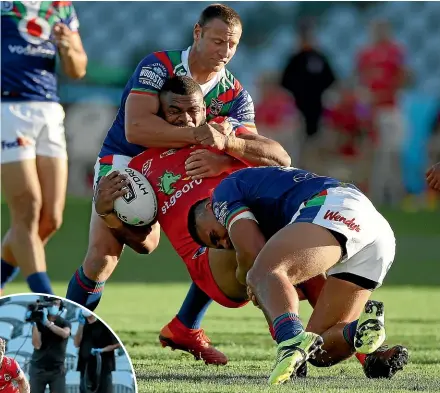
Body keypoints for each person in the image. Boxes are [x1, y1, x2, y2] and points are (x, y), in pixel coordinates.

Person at [65, 2, 262, 363]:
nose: (224, 51)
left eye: (231, 44)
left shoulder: (235, 94)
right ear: (197, 33)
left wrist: (222, 154)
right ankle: (69, 336)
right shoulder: (158, 66)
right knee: (102, 258)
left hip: (181, 165)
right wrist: (203, 135)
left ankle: (185, 327)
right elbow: (136, 128)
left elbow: (253, 147)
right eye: (217, 41)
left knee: (223, 231)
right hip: (127, 163)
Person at [93, 75, 293, 366]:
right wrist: (107, 213)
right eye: (175, 111)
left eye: (193, 111)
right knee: (248, 227)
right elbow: (146, 244)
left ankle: (356, 346)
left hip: (249, 234)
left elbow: (281, 159)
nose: (186, 119)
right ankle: (289, 339)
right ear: (160, 113)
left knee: (308, 234)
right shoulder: (140, 169)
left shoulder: (221, 132)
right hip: (213, 258)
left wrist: (227, 151)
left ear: (204, 109)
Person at [187, 166, 408, 384]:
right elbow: (317, 291)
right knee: (320, 350)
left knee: (260, 272)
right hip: (376, 234)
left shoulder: (221, 195)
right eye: (219, 246)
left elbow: (252, 253)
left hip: (335, 205)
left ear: (209, 207)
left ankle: (291, 344)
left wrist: (246, 279)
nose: (225, 243)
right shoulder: (279, 225)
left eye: (214, 236)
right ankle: (360, 331)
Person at [1, 0, 88, 294]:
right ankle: (46, 301)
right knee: (27, 209)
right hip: (8, 107)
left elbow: (78, 69)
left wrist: (67, 47)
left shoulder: (61, 7)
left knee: (50, 219)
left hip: (48, 109)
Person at [357, 19, 410, 207]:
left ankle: (395, 194)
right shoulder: (365, 54)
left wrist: (389, 91)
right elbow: (361, 80)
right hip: (375, 110)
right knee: (379, 154)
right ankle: (378, 194)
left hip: (391, 107)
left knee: (393, 153)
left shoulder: (396, 51)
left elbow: (404, 77)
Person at [281, 19, 336, 173]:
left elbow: (332, 81)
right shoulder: (294, 59)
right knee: (299, 150)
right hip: (298, 113)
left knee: (317, 150)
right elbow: (283, 84)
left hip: (319, 111)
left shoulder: (319, 58)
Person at [29, 298, 71, 393]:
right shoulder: (39, 322)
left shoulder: (64, 323)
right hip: (38, 368)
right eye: (51, 303)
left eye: (56, 304)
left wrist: (47, 323)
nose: (53, 306)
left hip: (57, 370)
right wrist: (35, 324)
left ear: (61, 307)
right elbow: (37, 345)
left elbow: (65, 334)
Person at [74, 309, 120, 393]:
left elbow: (118, 343)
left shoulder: (104, 324)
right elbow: (76, 344)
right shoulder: (83, 325)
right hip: (86, 369)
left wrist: (102, 350)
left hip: (103, 368)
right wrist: (81, 325)